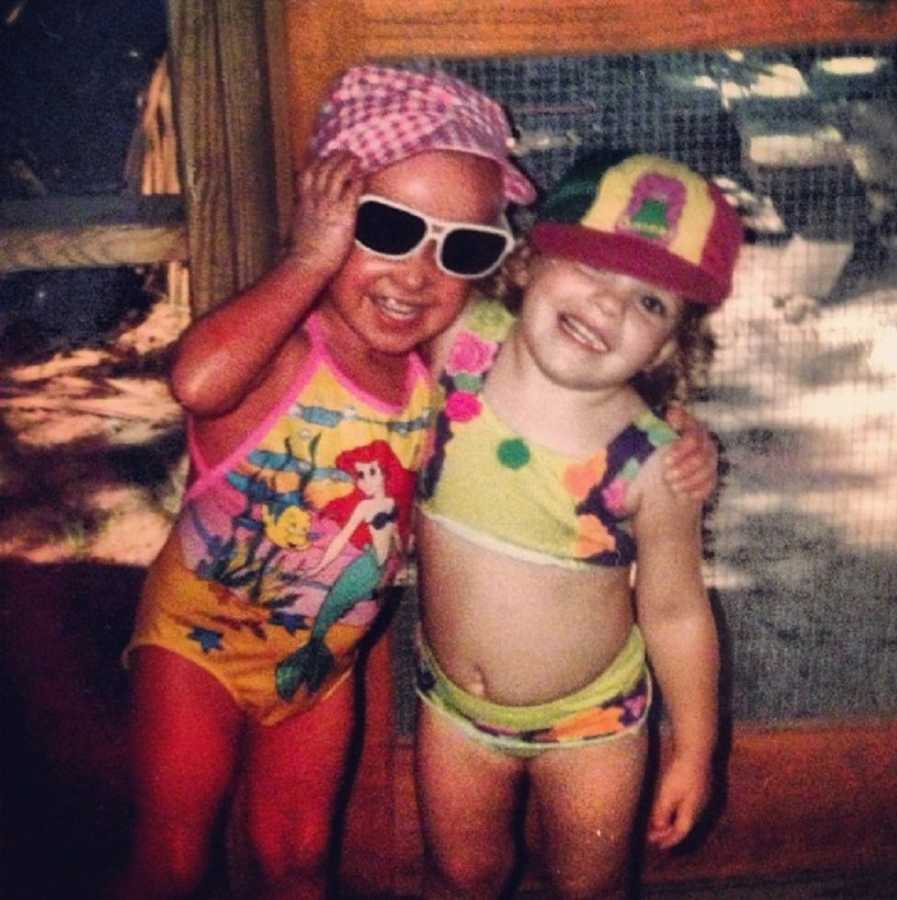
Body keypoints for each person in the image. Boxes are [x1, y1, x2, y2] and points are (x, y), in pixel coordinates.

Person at [116, 61, 718, 898]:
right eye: (389, 229)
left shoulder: (446, 362)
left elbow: (575, 361)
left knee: (297, 856)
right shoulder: (302, 348)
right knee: (171, 855)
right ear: (325, 210)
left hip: (325, 670)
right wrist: (306, 258)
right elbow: (197, 382)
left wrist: (679, 428)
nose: (417, 275)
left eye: (462, 248)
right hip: (201, 643)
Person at [415, 150, 743, 898]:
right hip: (454, 711)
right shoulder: (456, 345)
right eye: (593, 265)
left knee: (589, 887)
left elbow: (675, 611)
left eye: (651, 303)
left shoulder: (653, 464)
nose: (609, 306)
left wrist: (696, 750)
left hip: (591, 724)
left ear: (670, 345)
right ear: (528, 261)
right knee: (460, 877)